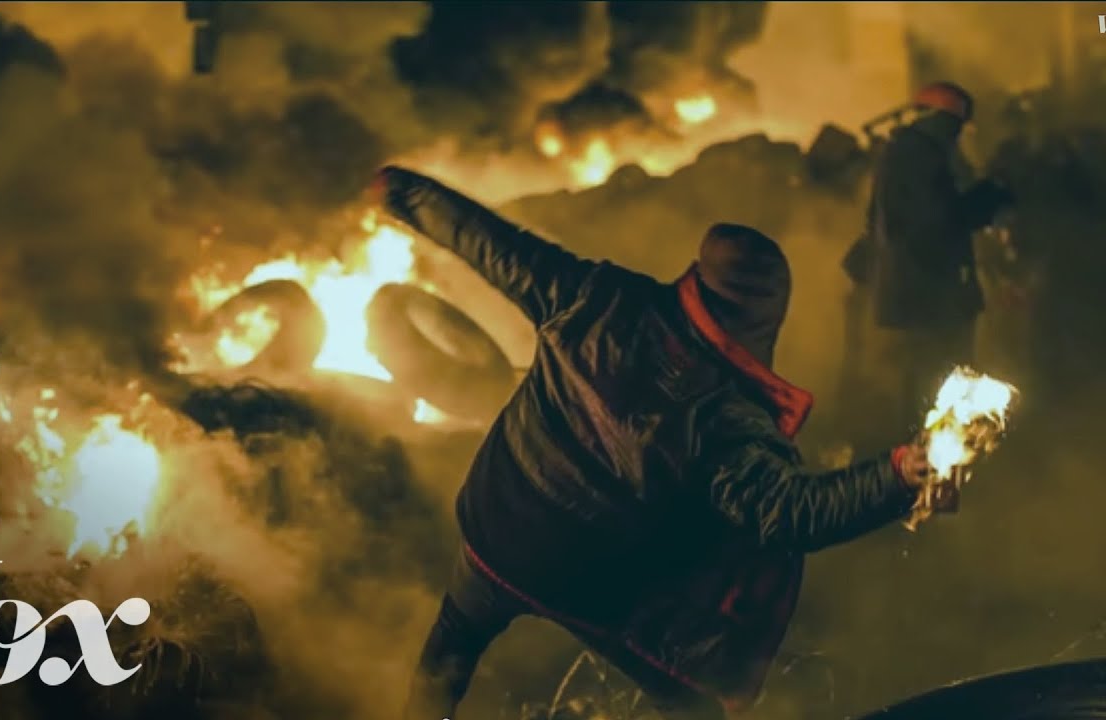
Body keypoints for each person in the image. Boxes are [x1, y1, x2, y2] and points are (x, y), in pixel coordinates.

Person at [365, 165, 940, 719]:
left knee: (449, 649)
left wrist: (405, 193)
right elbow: (793, 513)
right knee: (692, 707)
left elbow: (493, 245)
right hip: (589, 582)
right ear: (765, 317)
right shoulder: (726, 416)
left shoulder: (600, 295)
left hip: (497, 528)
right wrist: (895, 475)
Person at [865, 81, 1013, 434]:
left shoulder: (905, 151)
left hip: (921, 290)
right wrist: (990, 194)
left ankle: (924, 445)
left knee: (927, 378)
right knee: (935, 379)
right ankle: (929, 450)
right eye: (955, 124)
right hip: (931, 293)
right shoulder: (917, 155)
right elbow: (938, 220)